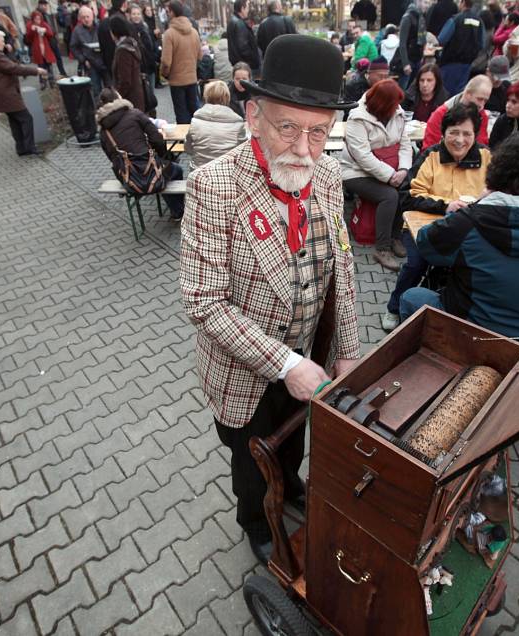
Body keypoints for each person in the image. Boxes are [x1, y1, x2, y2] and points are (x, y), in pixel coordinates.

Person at [179, 35, 360, 566]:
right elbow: (203, 301)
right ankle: (257, 522)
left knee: (293, 439)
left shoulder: (327, 175)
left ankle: (292, 484)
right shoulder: (214, 186)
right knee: (251, 456)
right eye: (288, 127)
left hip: (308, 352)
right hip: (245, 368)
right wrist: (285, 364)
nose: (305, 148)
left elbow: (342, 265)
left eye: (319, 131)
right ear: (253, 114)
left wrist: (346, 349)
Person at [401, 128, 519, 337]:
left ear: (503, 168)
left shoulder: (471, 221)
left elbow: (427, 244)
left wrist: (479, 203)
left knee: (412, 296)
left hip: (465, 335)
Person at [382, 103, 492, 331]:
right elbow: (409, 196)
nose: (459, 140)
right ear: (443, 133)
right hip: (422, 228)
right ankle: (394, 307)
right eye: (453, 132)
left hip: (469, 230)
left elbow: (497, 192)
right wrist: (445, 206)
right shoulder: (430, 156)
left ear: (475, 135)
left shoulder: (486, 157)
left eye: (466, 133)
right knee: (415, 264)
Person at [340, 79, 413, 271]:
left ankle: (395, 236)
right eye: (394, 104)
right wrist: (390, 176)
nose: (398, 107)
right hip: (354, 171)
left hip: (390, 167)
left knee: (407, 187)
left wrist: (403, 169)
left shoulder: (397, 112)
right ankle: (382, 248)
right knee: (389, 196)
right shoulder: (357, 118)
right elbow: (362, 156)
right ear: (382, 105)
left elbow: (405, 143)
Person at [97, 87, 185, 219]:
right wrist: (163, 155)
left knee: (163, 171)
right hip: (149, 170)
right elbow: (157, 140)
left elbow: (112, 157)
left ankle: (176, 208)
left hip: (129, 178)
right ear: (118, 99)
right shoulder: (135, 114)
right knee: (174, 170)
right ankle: (178, 210)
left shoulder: (103, 131)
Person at [0, 28, 48, 155]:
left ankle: (21, 148)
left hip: (1, 94)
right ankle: (29, 147)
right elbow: (13, 68)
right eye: (2, 41)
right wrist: (36, 71)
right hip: (7, 94)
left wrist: (7, 51)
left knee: (15, 121)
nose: (4, 43)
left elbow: (9, 64)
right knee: (26, 118)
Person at [186, 80, 248, 170]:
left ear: (206, 96)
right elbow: (243, 152)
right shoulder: (237, 123)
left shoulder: (195, 121)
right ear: (227, 97)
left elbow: (188, 148)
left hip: (199, 173)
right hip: (226, 174)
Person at [423, 74, 492, 148]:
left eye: (485, 101)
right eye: (479, 99)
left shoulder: (482, 116)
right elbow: (429, 150)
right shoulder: (440, 114)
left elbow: (482, 148)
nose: (482, 105)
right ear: (468, 94)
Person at [161, 0, 201, 124]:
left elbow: (166, 62)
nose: (167, 14)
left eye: (168, 11)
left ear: (172, 12)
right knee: (194, 110)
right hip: (192, 77)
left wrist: (165, 74)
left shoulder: (169, 34)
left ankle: (184, 139)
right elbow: (200, 56)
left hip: (177, 80)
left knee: (181, 113)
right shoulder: (194, 32)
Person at [437, 0, 485, 95]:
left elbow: (441, 39)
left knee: (443, 93)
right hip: (467, 64)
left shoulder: (456, 19)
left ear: (463, 3)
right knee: (458, 94)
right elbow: (482, 44)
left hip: (449, 63)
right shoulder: (479, 21)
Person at [109, 14, 144, 111]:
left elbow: (125, 80)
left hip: (130, 100)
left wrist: (117, 98)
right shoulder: (131, 43)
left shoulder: (123, 50)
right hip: (136, 95)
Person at [70, 5, 107, 98]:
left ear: (92, 16)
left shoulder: (101, 26)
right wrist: (83, 59)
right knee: (95, 90)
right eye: (83, 17)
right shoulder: (77, 31)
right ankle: (99, 110)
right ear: (80, 18)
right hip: (91, 64)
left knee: (110, 87)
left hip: (104, 61)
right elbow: (73, 47)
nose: (86, 19)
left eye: (88, 16)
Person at [398, 0, 429, 89]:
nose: (427, 6)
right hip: (408, 60)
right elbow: (402, 43)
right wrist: (405, 63)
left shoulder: (421, 18)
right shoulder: (407, 18)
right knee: (403, 90)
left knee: (413, 90)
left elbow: (422, 40)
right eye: (425, 2)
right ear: (418, 2)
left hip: (417, 59)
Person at [128, 3, 158, 91]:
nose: (136, 16)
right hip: (138, 68)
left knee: (151, 94)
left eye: (138, 14)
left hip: (150, 65)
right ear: (130, 15)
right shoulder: (128, 29)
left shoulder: (145, 27)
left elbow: (151, 44)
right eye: (134, 14)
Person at [227, 0, 260, 77]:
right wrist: (253, 59)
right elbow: (243, 48)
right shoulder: (239, 23)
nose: (248, 10)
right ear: (242, 8)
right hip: (246, 66)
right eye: (247, 7)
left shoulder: (232, 21)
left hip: (238, 65)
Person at [26, 11, 57, 88]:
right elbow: (28, 38)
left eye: (39, 18)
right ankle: (43, 82)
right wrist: (32, 30)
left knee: (49, 66)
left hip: (46, 48)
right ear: (33, 19)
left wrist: (45, 30)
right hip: (37, 49)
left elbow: (51, 34)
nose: (38, 20)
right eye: (36, 19)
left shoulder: (44, 24)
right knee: (41, 67)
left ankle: (51, 81)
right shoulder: (30, 25)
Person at [36, 0, 67, 77]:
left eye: (45, 5)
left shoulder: (47, 14)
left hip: (52, 39)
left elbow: (51, 26)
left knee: (58, 57)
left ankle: (62, 73)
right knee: (46, 61)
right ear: (39, 5)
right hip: (44, 40)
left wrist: (54, 35)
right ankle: (48, 78)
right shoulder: (37, 15)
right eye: (43, 5)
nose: (45, 7)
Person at [98, 0, 127, 76]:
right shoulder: (123, 21)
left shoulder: (103, 23)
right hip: (123, 62)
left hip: (109, 64)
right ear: (124, 5)